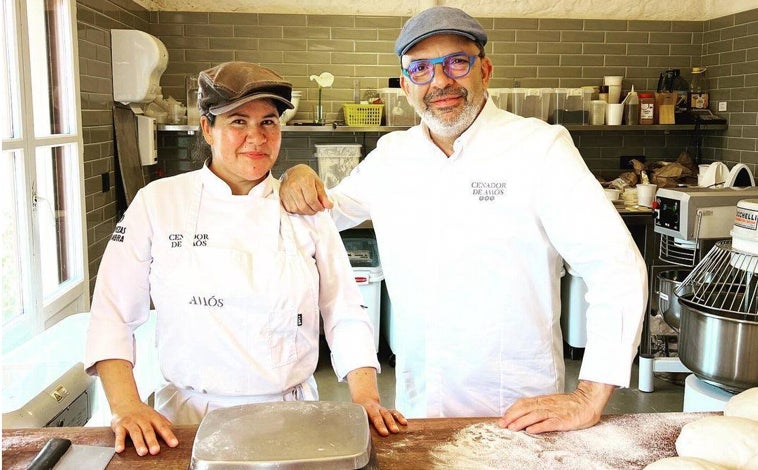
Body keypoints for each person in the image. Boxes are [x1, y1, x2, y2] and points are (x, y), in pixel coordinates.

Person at [279, 7, 648, 434]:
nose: (440, 81)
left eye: (457, 62)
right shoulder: (392, 157)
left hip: (518, 410)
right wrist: (295, 177)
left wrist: (589, 397)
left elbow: (616, 267)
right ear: (405, 85)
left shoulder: (538, 148)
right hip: (419, 403)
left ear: (484, 70)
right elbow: (327, 212)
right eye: (420, 69)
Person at [85, 61, 405, 457]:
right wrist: (126, 406)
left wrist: (365, 397)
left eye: (268, 122)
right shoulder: (159, 203)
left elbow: (344, 310)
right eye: (238, 121)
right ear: (207, 128)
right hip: (188, 420)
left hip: (290, 416)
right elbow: (112, 313)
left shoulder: (305, 209)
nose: (256, 138)